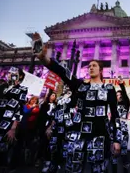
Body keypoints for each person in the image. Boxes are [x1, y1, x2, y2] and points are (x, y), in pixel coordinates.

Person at [37, 40, 121, 173]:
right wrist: (44, 58)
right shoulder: (80, 85)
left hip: (99, 134)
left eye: (94, 65)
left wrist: (116, 139)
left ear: (101, 70)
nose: (90, 67)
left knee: (98, 169)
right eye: (89, 66)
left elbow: (115, 115)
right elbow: (62, 72)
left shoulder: (109, 88)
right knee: (73, 168)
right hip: (77, 133)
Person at [0, 67, 28, 172]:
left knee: (2, 154)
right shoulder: (1, 86)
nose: (10, 74)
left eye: (14, 72)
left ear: (20, 76)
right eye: (9, 72)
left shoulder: (22, 89)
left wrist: (13, 128)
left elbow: (19, 109)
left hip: (6, 124)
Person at [111, 76, 130, 173]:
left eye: (119, 94)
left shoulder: (126, 104)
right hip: (114, 130)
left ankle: (125, 171)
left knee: (124, 154)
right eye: (116, 94)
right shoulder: (113, 106)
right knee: (114, 153)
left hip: (123, 132)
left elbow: (126, 96)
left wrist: (121, 84)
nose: (118, 96)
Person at [35, 92, 57, 167]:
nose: (53, 97)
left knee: (48, 143)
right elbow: (40, 116)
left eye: (54, 95)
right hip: (42, 126)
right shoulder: (44, 105)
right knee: (41, 142)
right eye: (52, 95)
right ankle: (38, 158)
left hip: (51, 126)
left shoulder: (56, 106)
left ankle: (47, 159)